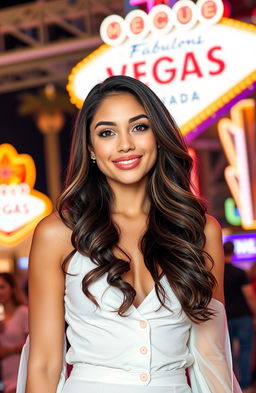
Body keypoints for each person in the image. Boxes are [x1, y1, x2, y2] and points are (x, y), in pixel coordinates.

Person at [17, 75, 241, 393]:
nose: (125, 144)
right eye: (107, 132)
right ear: (91, 148)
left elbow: (211, 356)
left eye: (139, 127)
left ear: (158, 136)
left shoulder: (200, 232)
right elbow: (44, 362)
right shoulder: (58, 234)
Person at [224, 241, 256, 393]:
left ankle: (230, 384)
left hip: (225, 318)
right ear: (234, 252)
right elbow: (249, 296)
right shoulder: (240, 272)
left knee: (226, 353)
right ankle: (245, 385)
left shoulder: (216, 273)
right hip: (243, 316)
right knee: (245, 350)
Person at [0, 273, 28, 393]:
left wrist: (10, 350)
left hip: (20, 373)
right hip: (4, 377)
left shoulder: (23, 312)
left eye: (2, 287)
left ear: (11, 288)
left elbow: (32, 344)